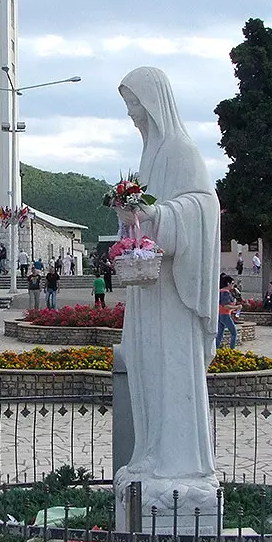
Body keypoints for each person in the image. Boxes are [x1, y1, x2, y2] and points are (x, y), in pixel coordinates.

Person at [111, 66, 221, 511]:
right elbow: (150, 214)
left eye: (134, 104)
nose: (131, 114)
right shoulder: (149, 154)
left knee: (170, 370)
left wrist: (156, 215)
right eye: (128, 105)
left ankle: (179, 462)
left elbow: (202, 207)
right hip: (149, 290)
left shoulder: (180, 149)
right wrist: (131, 215)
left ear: (154, 103)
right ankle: (152, 453)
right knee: (146, 367)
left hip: (173, 295)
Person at [217, 275, 238, 348]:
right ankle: (232, 349)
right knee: (234, 333)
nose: (233, 285)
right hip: (225, 314)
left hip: (220, 314)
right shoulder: (225, 292)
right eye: (232, 283)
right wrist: (236, 307)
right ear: (228, 283)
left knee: (219, 334)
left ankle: (216, 348)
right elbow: (226, 306)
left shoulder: (220, 291)